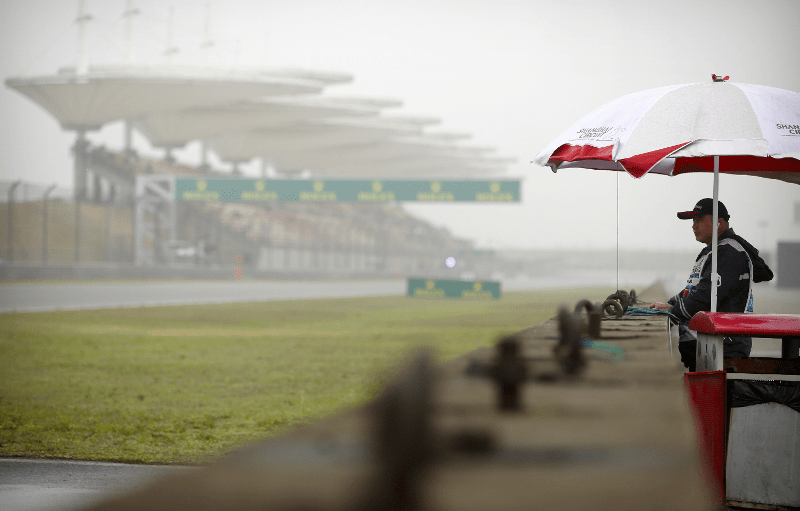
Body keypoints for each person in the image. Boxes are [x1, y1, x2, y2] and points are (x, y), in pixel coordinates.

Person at [650, 198, 773, 371]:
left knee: (703, 397)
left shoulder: (729, 252)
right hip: (710, 343)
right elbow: (693, 289)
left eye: (699, 220)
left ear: (719, 223)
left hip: (722, 345)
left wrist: (672, 311)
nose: (693, 226)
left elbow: (704, 296)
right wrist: (670, 303)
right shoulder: (714, 250)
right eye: (693, 221)